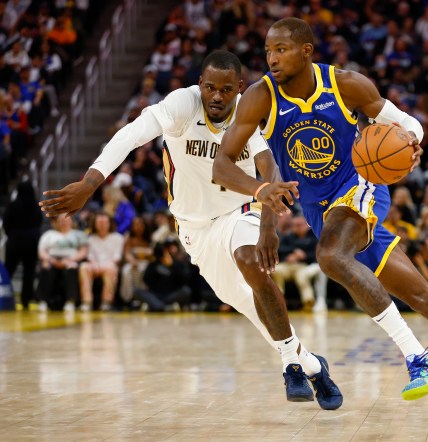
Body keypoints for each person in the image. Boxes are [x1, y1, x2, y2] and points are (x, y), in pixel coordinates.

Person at [213, 17, 428, 402]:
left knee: (330, 257)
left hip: (360, 188)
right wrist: (261, 194)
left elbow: (409, 125)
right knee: (424, 298)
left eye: (281, 49)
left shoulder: (346, 84)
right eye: (268, 50)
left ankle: (418, 358)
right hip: (320, 210)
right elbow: (222, 165)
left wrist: (411, 143)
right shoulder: (261, 96)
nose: (271, 58)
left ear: (306, 51)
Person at [38, 50, 342, 409]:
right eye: (210, 87)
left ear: (239, 89)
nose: (216, 96)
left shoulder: (249, 111)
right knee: (244, 302)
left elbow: (269, 169)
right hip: (193, 229)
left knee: (249, 260)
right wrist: (91, 182)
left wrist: (268, 227)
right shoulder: (182, 104)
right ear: (200, 84)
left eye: (226, 90)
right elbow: (131, 135)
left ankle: (290, 364)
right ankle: (309, 363)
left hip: (238, 209)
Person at [2, 180, 42, 309]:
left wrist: (13, 234)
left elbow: (6, 223)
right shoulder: (36, 206)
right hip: (32, 242)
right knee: (29, 272)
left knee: (9, 269)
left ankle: (4, 295)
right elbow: (39, 223)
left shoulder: (13, 205)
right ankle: (26, 300)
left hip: (14, 241)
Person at [37, 213, 88, 312]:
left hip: (71, 260)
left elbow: (83, 251)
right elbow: (41, 251)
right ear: (56, 222)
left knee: (71, 268)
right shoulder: (49, 234)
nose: (64, 222)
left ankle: (70, 301)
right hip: (52, 259)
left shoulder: (78, 234)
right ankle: (42, 301)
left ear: (71, 221)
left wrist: (71, 259)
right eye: (61, 220)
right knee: (45, 267)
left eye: (66, 219)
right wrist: (49, 259)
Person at [78, 212, 124, 312]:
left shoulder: (118, 238)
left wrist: (103, 266)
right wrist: (94, 264)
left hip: (110, 265)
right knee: (83, 267)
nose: (102, 225)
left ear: (109, 223)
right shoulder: (90, 238)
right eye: (99, 222)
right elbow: (89, 256)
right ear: (94, 224)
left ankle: (106, 302)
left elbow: (117, 257)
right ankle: (87, 302)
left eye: (104, 222)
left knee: (110, 269)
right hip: (94, 266)